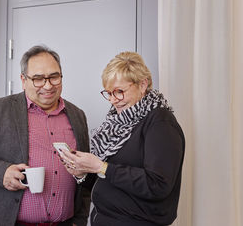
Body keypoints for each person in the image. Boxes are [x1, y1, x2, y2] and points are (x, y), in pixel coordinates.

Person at [0, 45, 91, 226]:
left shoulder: (77, 115)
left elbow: (85, 176)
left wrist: (80, 220)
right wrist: (2, 172)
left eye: (54, 77)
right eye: (38, 79)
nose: (48, 85)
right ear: (23, 79)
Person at [60, 51, 185, 226]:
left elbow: (158, 185)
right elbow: (106, 179)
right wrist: (82, 173)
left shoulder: (160, 122)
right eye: (109, 93)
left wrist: (102, 167)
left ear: (143, 85)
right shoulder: (115, 124)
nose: (113, 100)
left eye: (119, 91)